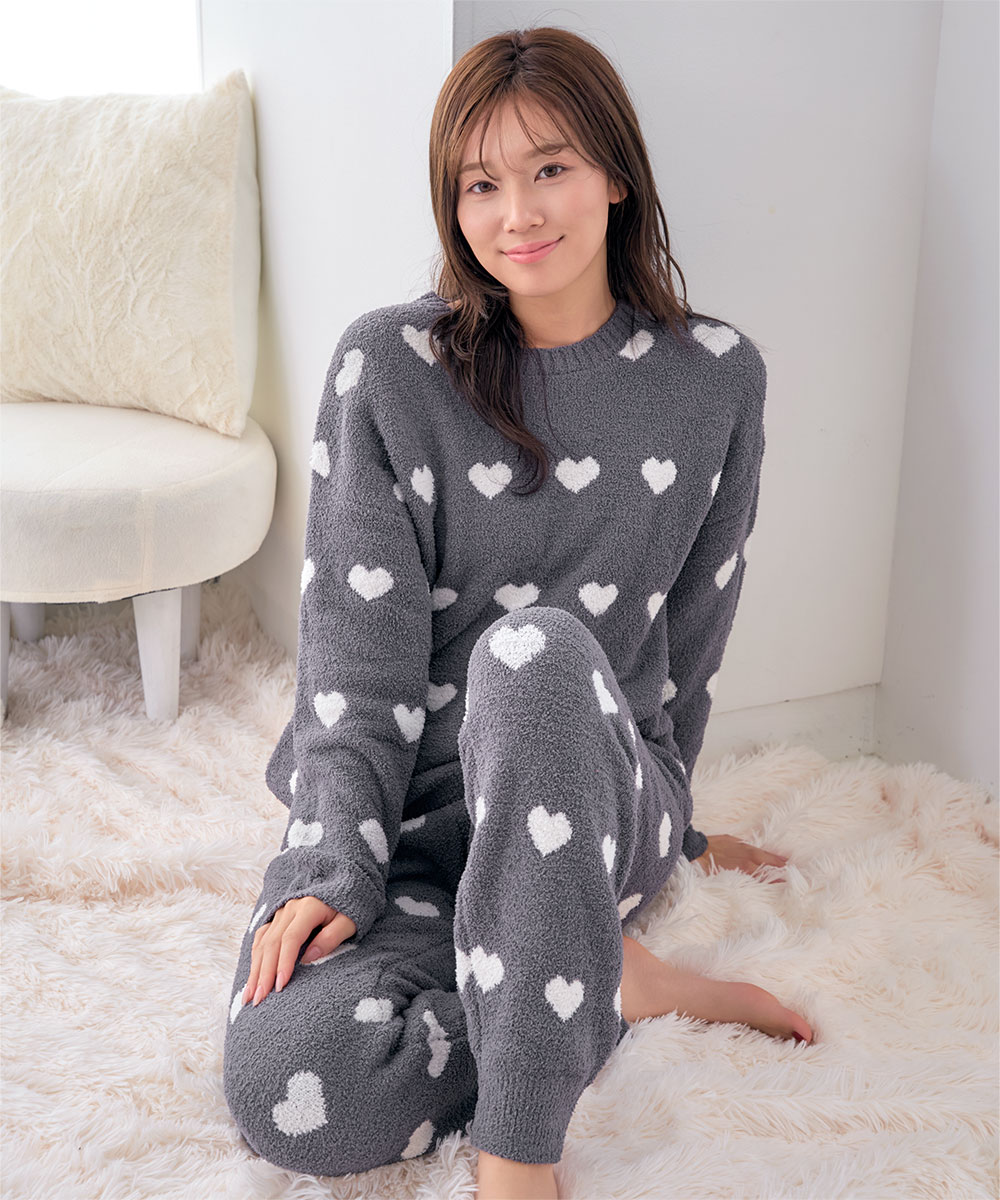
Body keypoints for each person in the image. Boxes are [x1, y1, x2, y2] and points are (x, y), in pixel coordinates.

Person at [223, 24, 813, 1200]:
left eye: (550, 168)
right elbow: (352, 670)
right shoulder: (387, 371)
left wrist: (673, 826)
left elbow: (686, 654)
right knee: (288, 1081)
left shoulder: (715, 381)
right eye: (479, 185)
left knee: (534, 651)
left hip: (591, 813)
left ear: (615, 175)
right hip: (420, 822)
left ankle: (519, 1155)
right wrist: (332, 864)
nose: (518, 214)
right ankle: (599, 980)